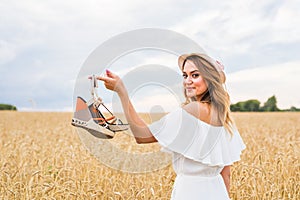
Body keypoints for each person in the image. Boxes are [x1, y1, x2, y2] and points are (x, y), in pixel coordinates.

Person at [97, 53, 246, 200]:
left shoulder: (194, 109)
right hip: (217, 191)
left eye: (195, 75)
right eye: (185, 75)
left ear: (210, 79)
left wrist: (121, 91)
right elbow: (226, 173)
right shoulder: (225, 117)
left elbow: (142, 135)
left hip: (191, 192)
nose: (188, 81)